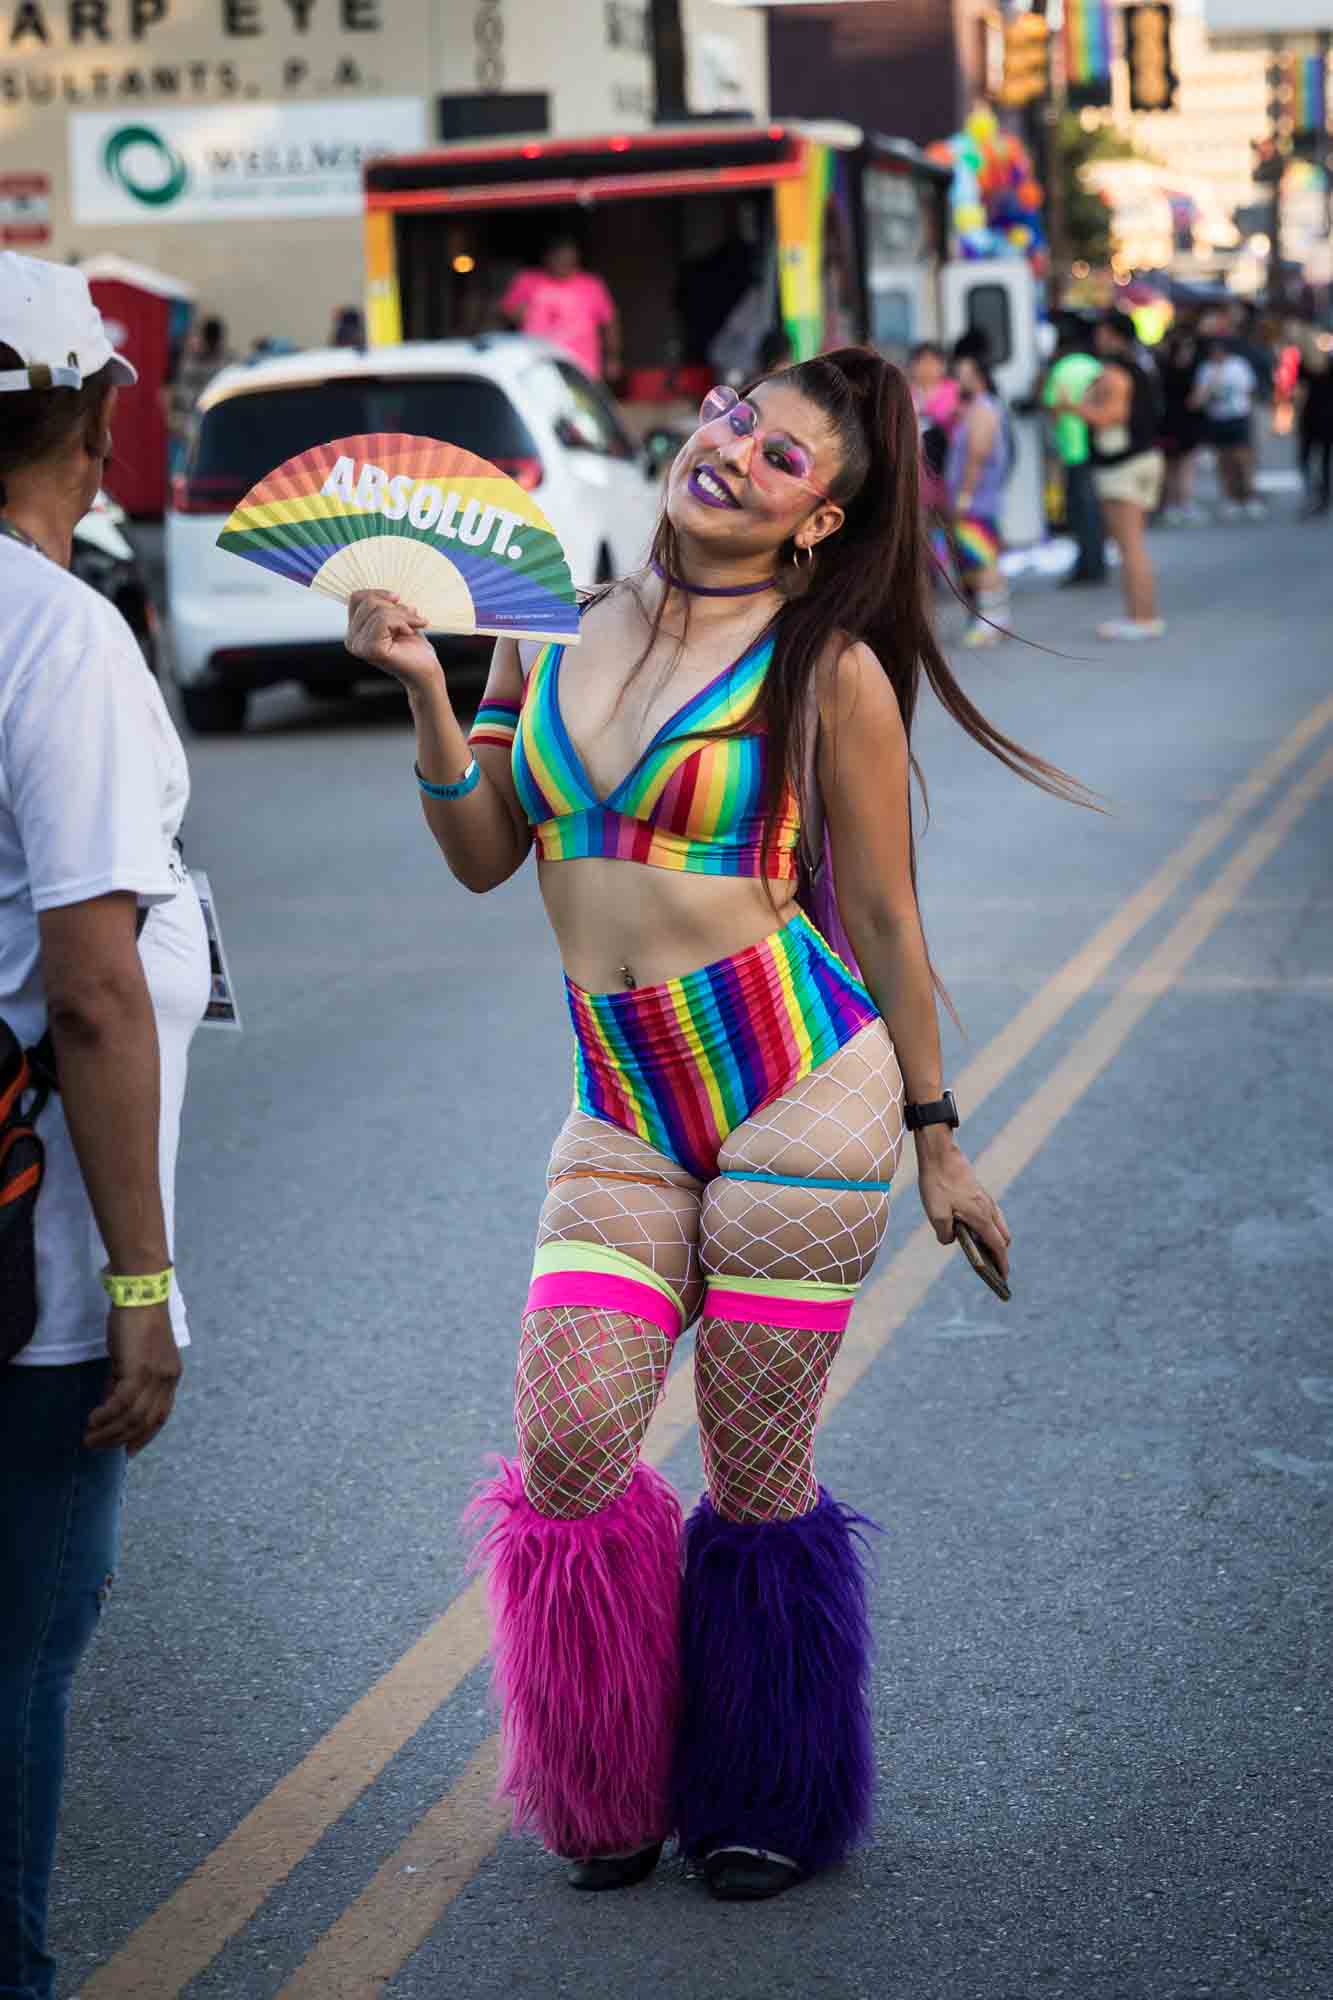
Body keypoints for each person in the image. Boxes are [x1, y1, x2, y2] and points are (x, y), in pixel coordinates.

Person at [346, 348, 1087, 1904]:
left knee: (754, 1470)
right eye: (741, 420)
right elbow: (486, 855)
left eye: (787, 460)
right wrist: (426, 690)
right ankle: (602, 1768)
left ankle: (768, 1789)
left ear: (819, 523)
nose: (737, 455)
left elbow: (882, 914)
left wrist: (939, 1134)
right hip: (618, 1096)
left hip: (799, 1083)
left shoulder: (830, 673)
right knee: (567, 1445)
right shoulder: (536, 630)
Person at [0, 255, 209, 1999]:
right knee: (16, 1650)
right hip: (23, 1259)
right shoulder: (50, 635)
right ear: (95, 412)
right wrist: (141, 1291)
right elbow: (92, 990)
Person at [1062, 310, 1166, 642]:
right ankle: (1141, 614)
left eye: (1102, 331)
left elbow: (1111, 416)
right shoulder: (1142, 363)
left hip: (1121, 465)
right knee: (1134, 544)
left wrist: (1072, 407)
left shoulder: (1114, 373)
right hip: (1145, 458)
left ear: (1111, 334)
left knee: (1129, 545)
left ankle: (1142, 617)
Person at [945, 334, 1011, 647]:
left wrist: (965, 496)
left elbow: (977, 455)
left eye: (965, 374)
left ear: (979, 378)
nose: (959, 379)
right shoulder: (977, 409)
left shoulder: (983, 410)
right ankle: (994, 619)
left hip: (977, 501)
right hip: (979, 500)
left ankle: (993, 622)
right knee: (978, 559)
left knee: (983, 561)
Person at [501, 235, 621, 383]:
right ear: (547, 258)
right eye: (558, 258)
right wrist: (520, 313)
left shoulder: (591, 285)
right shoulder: (528, 280)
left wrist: (612, 358)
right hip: (538, 364)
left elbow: (609, 323)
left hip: (581, 367)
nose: (563, 263)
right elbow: (506, 312)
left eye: (568, 259)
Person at [1041, 317, 1107, 584]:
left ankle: (1086, 567)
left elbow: (1053, 407)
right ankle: (1098, 562)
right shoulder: (1095, 366)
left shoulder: (1060, 370)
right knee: (1095, 509)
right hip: (1096, 445)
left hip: (1072, 447)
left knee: (1080, 512)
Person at [1189, 334, 1263, 521]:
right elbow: (1200, 394)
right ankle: (1230, 497)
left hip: (1237, 415)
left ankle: (1249, 495)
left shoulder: (1238, 366)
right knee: (1224, 459)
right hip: (1217, 417)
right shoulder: (1206, 369)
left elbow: (1249, 389)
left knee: (1242, 458)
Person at [160, 315, 232, 477]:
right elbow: (166, 389)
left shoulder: (226, 360)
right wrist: (170, 418)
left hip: (213, 425)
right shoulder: (183, 358)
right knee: (179, 471)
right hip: (184, 424)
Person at [1158, 319, 1205, 525]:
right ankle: (1183, 503)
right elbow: (1196, 398)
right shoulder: (1191, 368)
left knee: (1170, 465)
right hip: (1184, 419)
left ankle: (1170, 504)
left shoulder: (1160, 364)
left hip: (1167, 419)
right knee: (1184, 464)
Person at [1292, 323, 1333, 518]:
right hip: (1320, 416)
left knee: (1311, 458)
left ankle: (1317, 494)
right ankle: (1321, 495)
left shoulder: (1309, 364)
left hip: (1316, 417)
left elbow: (1300, 392)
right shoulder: (1310, 363)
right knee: (1318, 459)